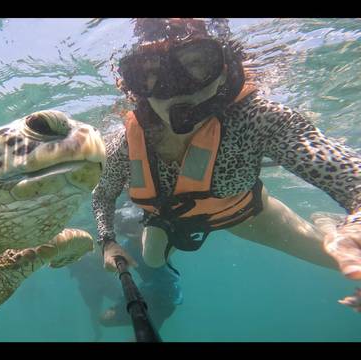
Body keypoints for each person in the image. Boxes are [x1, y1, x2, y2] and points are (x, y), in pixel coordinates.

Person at [92, 18, 361, 312]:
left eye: (196, 64)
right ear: (136, 86)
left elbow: (343, 168)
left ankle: (327, 222)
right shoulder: (126, 143)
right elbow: (103, 193)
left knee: (339, 259)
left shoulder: (255, 119)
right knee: (152, 258)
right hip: (167, 219)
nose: (177, 86)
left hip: (246, 215)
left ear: (223, 72)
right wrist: (107, 242)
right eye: (151, 73)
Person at [68, 200, 182, 340]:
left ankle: (150, 322)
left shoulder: (154, 243)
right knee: (104, 319)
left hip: (165, 298)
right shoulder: (127, 245)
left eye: (133, 226)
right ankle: (145, 322)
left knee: (141, 337)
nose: (130, 232)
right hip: (145, 293)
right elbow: (103, 256)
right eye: (125, 227)